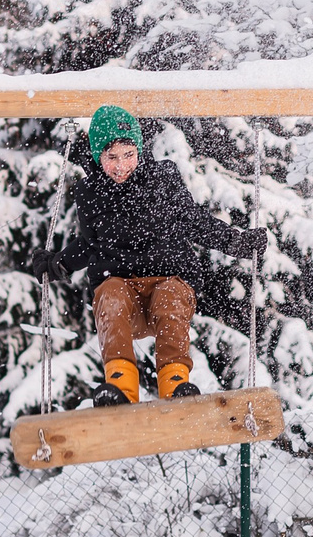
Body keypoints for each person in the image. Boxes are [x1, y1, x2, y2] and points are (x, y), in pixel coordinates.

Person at [58, 103, 264, 408]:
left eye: (128, 154)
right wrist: (59, 263)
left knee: (169, 299)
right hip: (122, 291)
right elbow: (90, 243)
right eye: (111, 157)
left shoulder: (162, 179)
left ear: (139, 151)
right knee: (110, 296)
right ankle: (120, 387)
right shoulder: (90, 193)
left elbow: (193, 220)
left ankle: (175, 383)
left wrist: (237, 243)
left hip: (168, 282)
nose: (121, 165)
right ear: (98, 156)